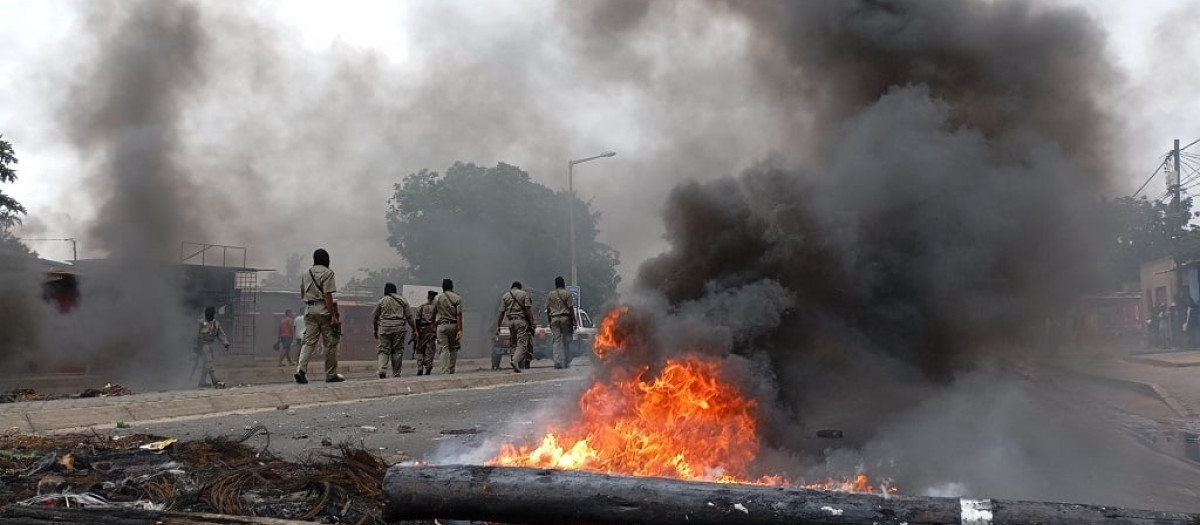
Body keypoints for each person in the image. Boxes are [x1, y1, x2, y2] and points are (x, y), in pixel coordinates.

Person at [295, 248, 343, 384]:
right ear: (326, 259)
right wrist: (333, 316)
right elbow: (328, 295)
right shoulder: (328, 273)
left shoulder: (306, 273)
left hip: (309, 309)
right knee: (331, 343)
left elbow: (302, 293)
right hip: (323, 309)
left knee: (308, 342)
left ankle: (301, 370)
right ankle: (331, 374)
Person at [372, 282, 416, 378]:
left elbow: (375, 318)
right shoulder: (403, 300)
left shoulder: (381, 301)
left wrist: (375, 330)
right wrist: (414, 329)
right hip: (399, 327)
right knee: (397, 350)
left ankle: (382, 370)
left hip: (384, 327)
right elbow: (409, 317)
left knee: (383, 350)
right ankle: (396, 373)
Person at [496, 281, 534, 373]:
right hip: (521, 321)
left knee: (513, 343)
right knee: (522, 344)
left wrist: (498, 326)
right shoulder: (524, 294)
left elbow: (501, 312)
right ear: (519, 288)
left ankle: (514, 362)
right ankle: (515, 361)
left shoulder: (505, 296)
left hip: (510, 322)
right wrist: (532, 322)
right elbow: (528, 310)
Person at [545, 276, 577, 369]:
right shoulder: (567, 294)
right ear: (563, 284)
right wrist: (574, 320)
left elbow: (547, 310)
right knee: (566, 341)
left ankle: (557, 362)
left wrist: (549, 321)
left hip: (554, 318)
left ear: (555, 284)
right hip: (565, 318)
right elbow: (570, 308)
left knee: (556, 341)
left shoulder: (550, 295)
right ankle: (566, 360)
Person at [433, 278, 464, 374]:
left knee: (443, 349)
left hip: (441, 326)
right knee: (454, 348)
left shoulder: (437, 298)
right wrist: (460, 329)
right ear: (452, 287)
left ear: (442, 287)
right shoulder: (458, 298)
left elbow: (433, 313)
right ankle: (451, 369)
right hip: (454, 325)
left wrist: (433, 326)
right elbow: (459, 314)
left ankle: (444, 371)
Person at [195, 306, 230, 389]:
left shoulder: (216, 324)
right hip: (203, 345)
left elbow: (221, 334)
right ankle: (215, 381)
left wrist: (225, 343)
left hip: (209, 345)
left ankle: (202, 382)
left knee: (206, 364)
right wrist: (196, 346)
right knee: (209, 363)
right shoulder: (201, 323)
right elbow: (196, 335)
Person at [413, 290, 438, 376]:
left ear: (428, 297)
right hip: (431, 331)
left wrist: (416, 331)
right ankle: (428, 368)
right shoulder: (436, 308)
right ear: (434, 298)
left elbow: (417, 320)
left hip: (421, 331)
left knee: (420, 349)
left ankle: (420, 367)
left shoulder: (421, 307)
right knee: (430, 351)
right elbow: (438, 320)